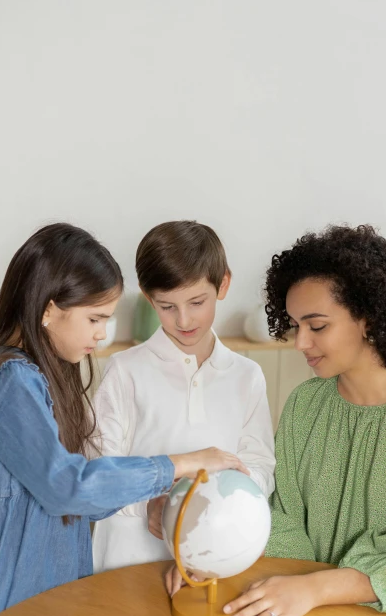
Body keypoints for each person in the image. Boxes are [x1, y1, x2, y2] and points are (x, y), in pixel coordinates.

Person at [172, 224, 386, 616]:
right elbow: (284, 521)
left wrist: (315, 588)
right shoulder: (306, 405)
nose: (300, 343)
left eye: (317, 326)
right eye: (295, 325)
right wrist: (212, 553)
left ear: (368, 318)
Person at [0, 223, 246, 616]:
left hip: (36, 604)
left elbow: (78, 497)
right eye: (95, 318)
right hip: (9, 611)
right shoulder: (13, 380)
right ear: (48, 309)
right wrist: (181, 463)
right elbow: (67, 487)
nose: (102, 334)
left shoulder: (34, 377)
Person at [92, 220, 275, 571]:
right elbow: (100, 472)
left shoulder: (246, 376)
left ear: (223, 284)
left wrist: (218, 497)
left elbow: (261, 465)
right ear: (149, 299)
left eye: (197, 301)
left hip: (212, 559)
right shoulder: (125, 370)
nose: (184, 319)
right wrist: (150, 505)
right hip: (127, 561)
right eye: (167, 306)